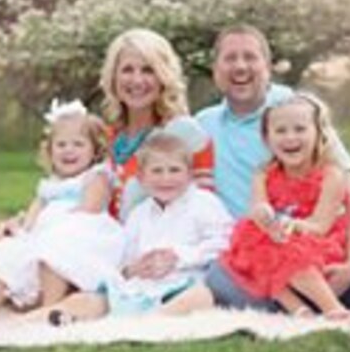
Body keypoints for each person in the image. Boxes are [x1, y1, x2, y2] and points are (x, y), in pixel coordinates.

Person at [195, 23, 350, 309]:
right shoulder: (203, 125)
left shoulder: (297, 111)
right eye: (230, 58)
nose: (240, 66)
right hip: (255, 253)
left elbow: (348, 188)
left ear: (267, 66)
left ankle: (317, 298)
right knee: (218, 276)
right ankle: (302, 304)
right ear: (216, 69)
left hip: (317, 244)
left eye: (250, 57)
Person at [0, 99, 126, 344]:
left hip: (79, 239)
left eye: (78, 144)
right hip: (44, 238)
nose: (69, 150)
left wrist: (49, 236)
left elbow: (89, 211)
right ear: (50, 150)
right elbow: (31, 220)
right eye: (61, 144)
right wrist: (18, 230)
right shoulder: (48, 185)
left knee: (53, 254)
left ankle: (46, 310)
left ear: (94, 150)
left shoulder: (96, 176)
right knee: (7, 256)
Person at [45, 132, 233, 324]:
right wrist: (132, 269)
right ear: (141, 178)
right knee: (88, 299)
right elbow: (124, 258)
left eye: (175, 170)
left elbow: (224, 244)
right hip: (141, 288)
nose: (166, 178)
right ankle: (37, 321)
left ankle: (144, 322)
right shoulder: (139, 214)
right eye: (157, 171)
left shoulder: (205, 203)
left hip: (183, 283)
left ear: (190, 175)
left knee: (201, 297)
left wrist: (180, 257)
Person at [219, 93, 350, 319]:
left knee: (287, 250)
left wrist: (290, 225)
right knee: (254, 242)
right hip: (279, 238)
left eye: (300, 129)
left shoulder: (331, 175)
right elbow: (258, 207)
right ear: (267, 138)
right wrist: (264, 214)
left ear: (319, 133)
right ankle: (299, 310)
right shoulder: (264, 173)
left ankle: (332, 308)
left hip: (317, 244)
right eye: (280, 131)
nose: (290, 137)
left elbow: (320, 225)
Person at [101, 28, 214, 221]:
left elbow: (204, 211)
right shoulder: (103, 138)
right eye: (127, 70)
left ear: (164, 77)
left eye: (148, 70)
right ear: (113, 78)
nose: (137, 80)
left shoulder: (183, 135)